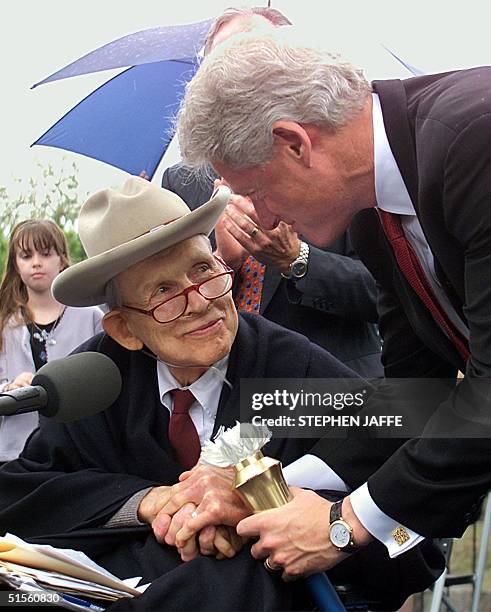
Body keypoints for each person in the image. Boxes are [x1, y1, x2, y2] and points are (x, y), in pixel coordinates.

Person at [0, 178, 441, 611]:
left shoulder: (295, 373)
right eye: (163, 292)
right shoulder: (91, 381)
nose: (200, 302)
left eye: (204, 271)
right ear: (125, 330)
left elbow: (409, 541)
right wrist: (146, 503)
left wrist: (264, 506)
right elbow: (26, 495)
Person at [174, 28, 491, 578]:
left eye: (256, 191)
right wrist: (267, 485)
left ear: (295, 142)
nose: (263, 219)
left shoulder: (475, 137)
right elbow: (414, 395)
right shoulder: (373, 211)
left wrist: (345, 524)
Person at [163, 6, 382, 377]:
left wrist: (298, 259)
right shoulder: (183, 182)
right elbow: (169, 305)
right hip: (235, 395)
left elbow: (385, 295)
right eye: (220, 67)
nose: (233, 81)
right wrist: (221, 265)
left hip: (338, 389)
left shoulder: (344, 159)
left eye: (249, 58)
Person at [0, 219, 103, 461]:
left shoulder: (92, 316)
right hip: (14, 453)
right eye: (26, 256)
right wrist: (9, 389)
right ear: (15, 264)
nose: (36, 262)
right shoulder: (5, 323)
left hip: (78, 451)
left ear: (62, 259)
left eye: (45, 254)